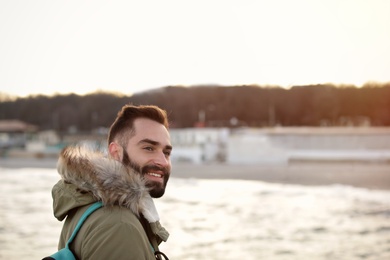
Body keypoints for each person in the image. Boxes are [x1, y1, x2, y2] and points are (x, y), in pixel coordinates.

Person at [49, 104, 172, 259]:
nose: (163, 161)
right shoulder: (120, 226)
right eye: (149, 148)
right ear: (116, 152)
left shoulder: (89, 204)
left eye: (166, 152)